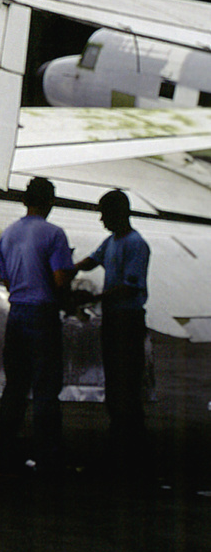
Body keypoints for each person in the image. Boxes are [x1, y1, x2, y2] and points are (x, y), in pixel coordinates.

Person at [0, 177, 75, 473]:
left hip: (16, 312)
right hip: (43, 314)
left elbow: (6, 280)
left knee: (15, 387)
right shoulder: (54, 234)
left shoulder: (8, 234)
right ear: (50, 202)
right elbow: (59, 278)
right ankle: (48, 455)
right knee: (45, 388)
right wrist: (69, 297)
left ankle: (5, 450)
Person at [76, 189, 150, 457]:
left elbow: (130, 288)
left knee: (127, 380)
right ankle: (120, 433)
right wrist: (67, 268)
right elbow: (91, 261)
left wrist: (94, 297)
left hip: (127, 320)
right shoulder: (111, 242)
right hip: (114, 319)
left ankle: (132, 439)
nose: (102, 220)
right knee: (115, 379)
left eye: (105, 214)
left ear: (119, 213)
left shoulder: (135, 244)